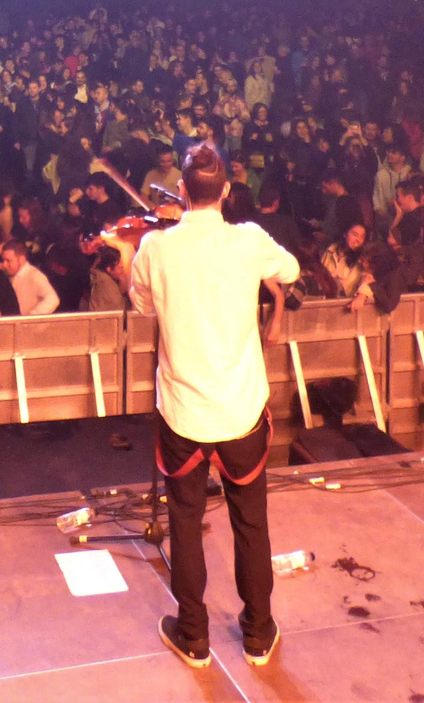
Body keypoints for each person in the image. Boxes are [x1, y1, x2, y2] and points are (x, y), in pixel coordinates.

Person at [130, 141, 300, 669]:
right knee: (251, 521)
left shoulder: (156, 247)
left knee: (184, 518)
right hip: (242, 410)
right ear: (226, 191)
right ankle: (257, 633)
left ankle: (194, 634)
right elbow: (290, 270)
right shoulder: (249, 240)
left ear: (181, 190)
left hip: (184, 411)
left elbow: (140, 304)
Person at [0, 239, 60, 316]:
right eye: (3, 260)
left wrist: (31, 317)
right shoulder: (8, 276)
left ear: (21, 259)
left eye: (8, 261)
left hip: (29, 326)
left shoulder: (35, 275)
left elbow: (52, 299)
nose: (4, 265)